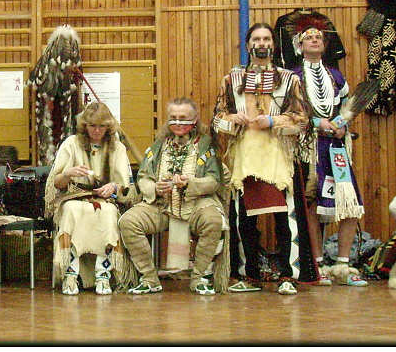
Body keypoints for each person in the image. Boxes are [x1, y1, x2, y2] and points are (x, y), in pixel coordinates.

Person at [212, 23, 308, 295]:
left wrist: (273, 120)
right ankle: (249, 273)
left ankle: (288, 275)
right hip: (244, 154)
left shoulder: (289, 79)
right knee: (245, 217)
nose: (262, 43)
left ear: (273, 45)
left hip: (278, 154)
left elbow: (302, 121)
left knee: (283, 217)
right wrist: (234, 119)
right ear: (248, 45)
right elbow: (217, 119)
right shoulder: (231, 80)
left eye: (266, 38)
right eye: (256, 38)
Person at [119, 97, 230, 295]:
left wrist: (191, 183)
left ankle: (200, 278)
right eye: (173, 118)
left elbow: (215, 181)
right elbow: (143, 177)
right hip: (161, 206)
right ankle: (149, 278)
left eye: (183, 118)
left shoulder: (206, 147)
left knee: (213, 220)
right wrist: (155, 188)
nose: (178, 123)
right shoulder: (158, 146)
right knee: (129, 222)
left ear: (194, 119)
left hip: (197, 205)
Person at [292, 25, 368, 287]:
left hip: (336, 148)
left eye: (318, 38)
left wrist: (343, 126)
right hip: (310, 147)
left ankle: (343, 264)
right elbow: (289, 111)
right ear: (299, 46)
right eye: (308, 38)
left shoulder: (336, 76)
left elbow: (347, 107)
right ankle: (317, 263)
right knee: (313, 203)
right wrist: (315, 122)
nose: (314, 40)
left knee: (350, 202)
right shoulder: (293, 77)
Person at [44, 102, 136, 295]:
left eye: (101, 126)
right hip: (73, 197)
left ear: (108, 127)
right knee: (71, 211)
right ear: (84, 125)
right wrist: (68, 173)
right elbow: (56, 183)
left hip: (104, 200)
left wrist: (113, 187)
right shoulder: (71, 143)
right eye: (92, 126)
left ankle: (103, 273)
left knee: (108, 213)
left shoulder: (116, 147)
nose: (96, 130)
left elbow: (125, 187)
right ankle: (70, 274)